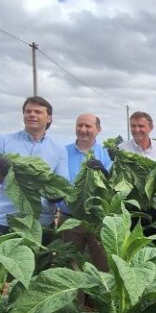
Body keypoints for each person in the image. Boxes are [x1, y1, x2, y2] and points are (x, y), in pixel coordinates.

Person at [0, 96, 68, 233]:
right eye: (28, 111)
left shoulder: (58, 150)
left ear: (49, 118)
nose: (32, 114)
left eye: (38, 112)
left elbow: (62, 185)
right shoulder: (2, 142)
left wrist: (55, 194)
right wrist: (0, 172)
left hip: (40, 222)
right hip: (4, 219)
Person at [61, 113, 112, 270]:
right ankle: (77, 296)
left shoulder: (107, 153)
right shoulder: (63, 152)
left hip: (97, 220)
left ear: (98, 129)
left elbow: (113, 184)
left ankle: (100, 295)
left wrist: (103, 171)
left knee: (102, 265)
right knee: (71, 266)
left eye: (88, 126)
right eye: (79, 125)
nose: (83, 129)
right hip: (70, 219)